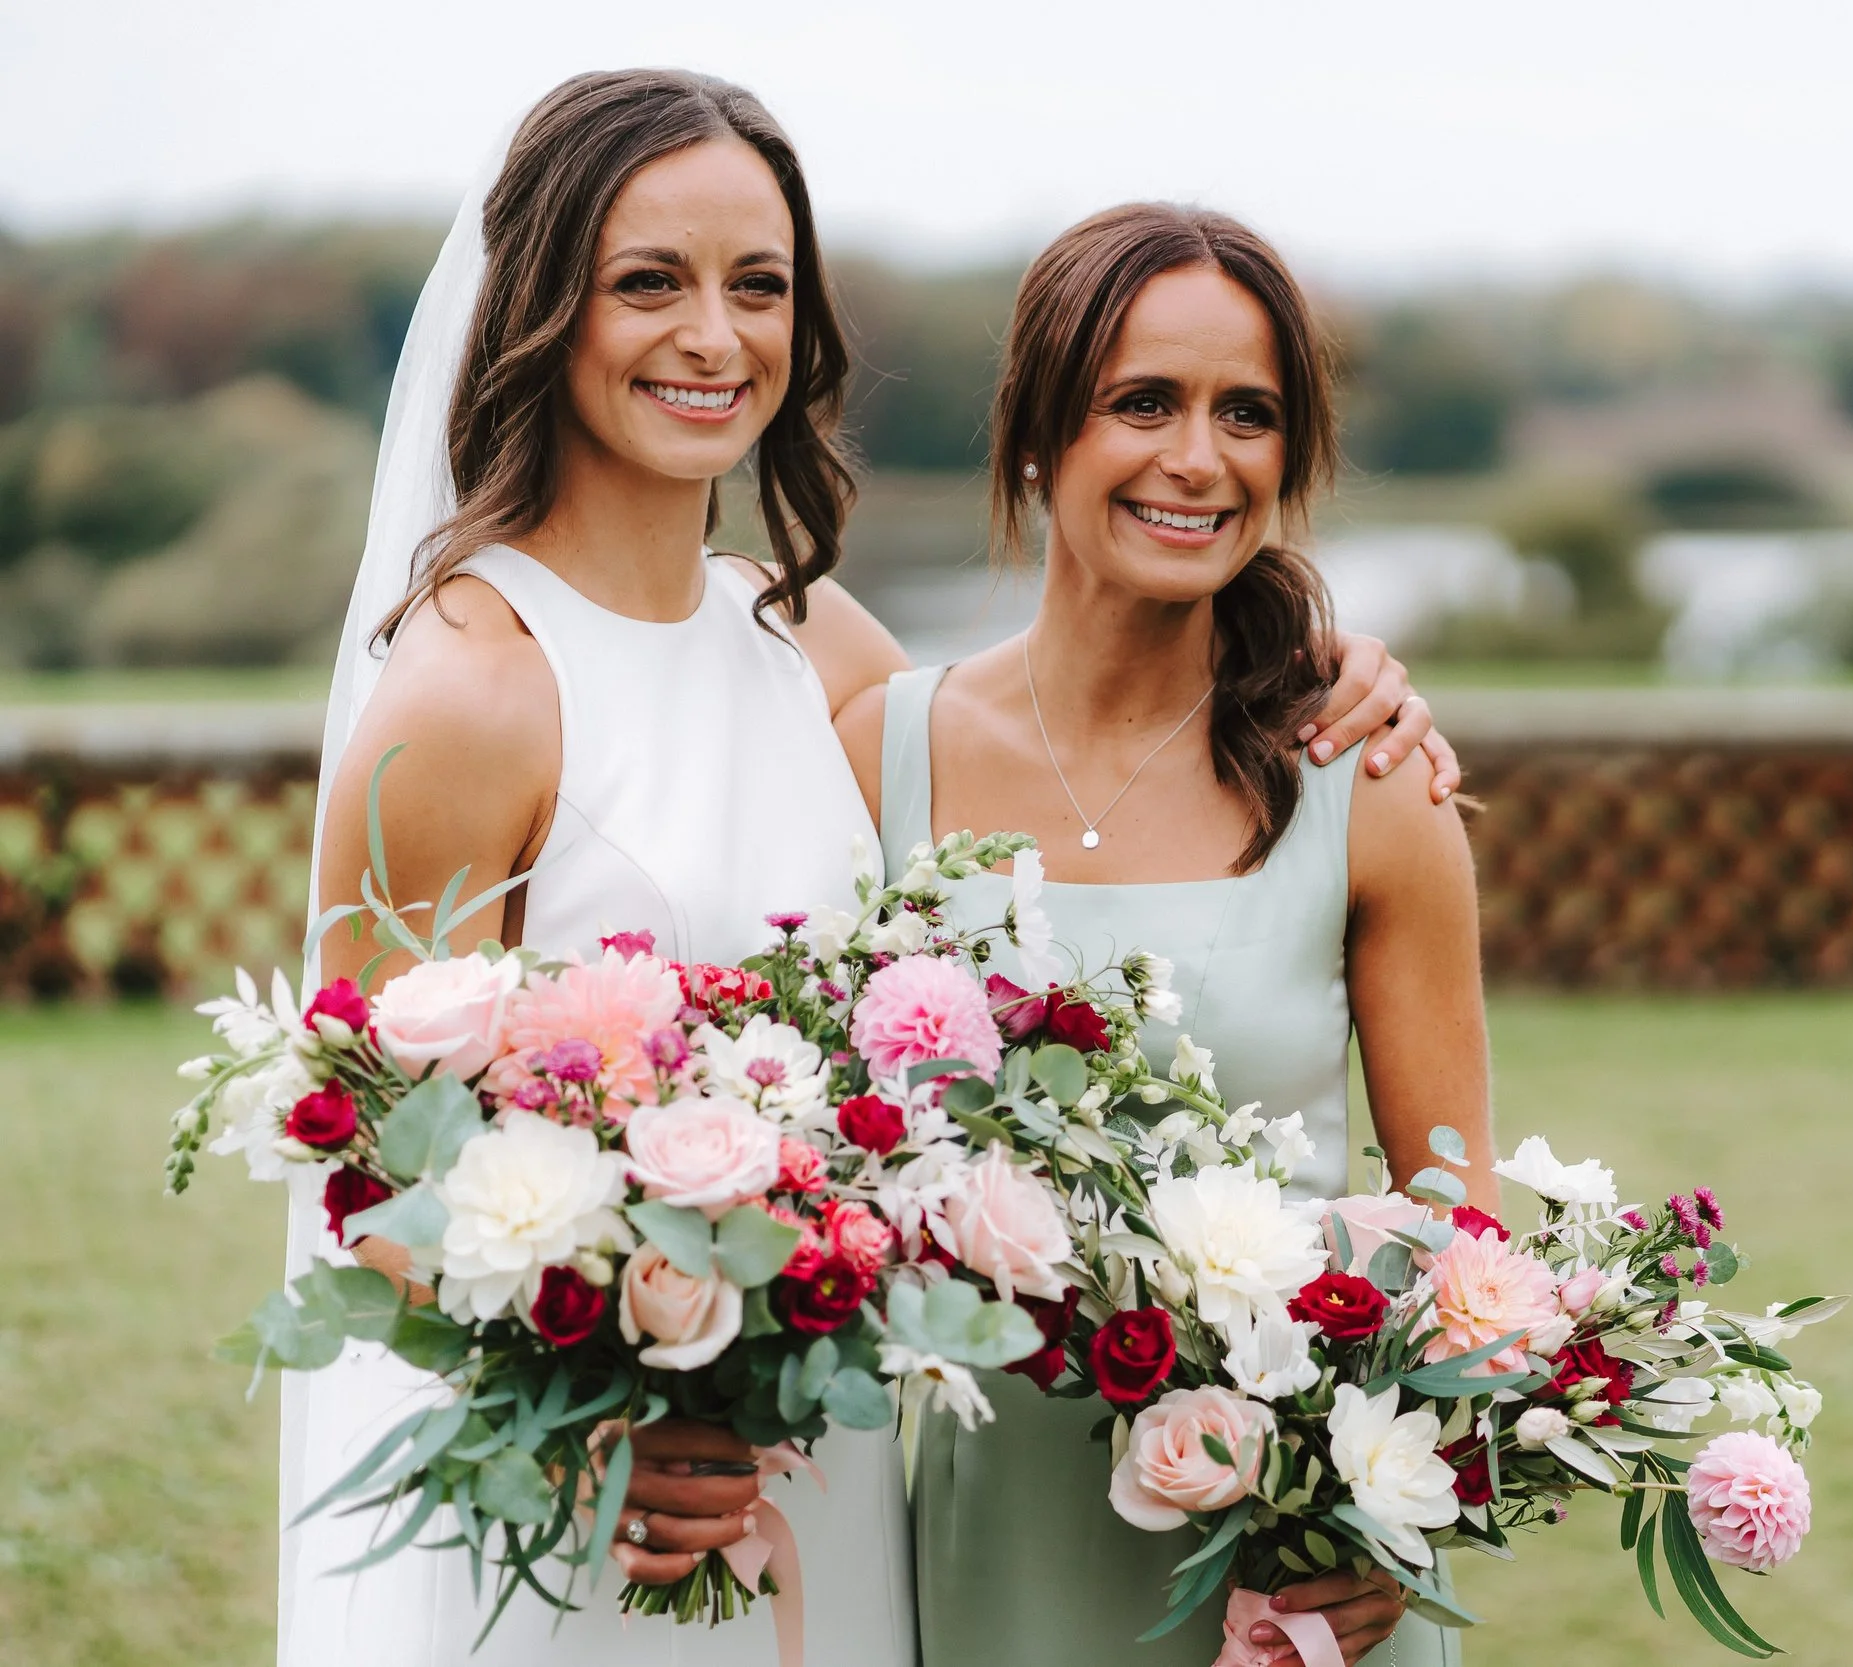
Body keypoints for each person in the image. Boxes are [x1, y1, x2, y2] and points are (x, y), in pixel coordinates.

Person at [290, 72, 1455, 1667]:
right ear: (541, 308)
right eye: (650, 282)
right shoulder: (466, 696)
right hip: (617, 1502)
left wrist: (1326, 662)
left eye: (757, 286)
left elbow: (1066, 750)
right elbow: (364, 1164)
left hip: (843, 1484)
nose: (714, 336)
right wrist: (606, 1406)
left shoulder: (810, 648)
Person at [839, 202, 1508, 1667]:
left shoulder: (1370, 784)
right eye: (1142, 401)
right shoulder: (873, 759)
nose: (1198, 457)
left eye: (1246, 413)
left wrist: (1411, 1510)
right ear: (1036, 435)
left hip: (1286, 1576)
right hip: (993, 1535)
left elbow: (1465, 1230)